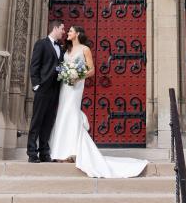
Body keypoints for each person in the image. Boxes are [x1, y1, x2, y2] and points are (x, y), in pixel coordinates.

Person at [48, 25, 148, 178]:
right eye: (67, 31)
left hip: (76, 87)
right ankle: (60, 152)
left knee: (71, 113)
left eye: (71, 31)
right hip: (65, 86)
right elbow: (63, 66)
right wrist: (66, 73)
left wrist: (78, 76)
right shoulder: (66, 49)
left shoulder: (85, 49)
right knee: (62, 114)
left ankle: (70, 151)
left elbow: (92, 70)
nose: (68, 33)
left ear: (78, 34)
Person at [27, 21, 65, 163]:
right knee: (37, 121)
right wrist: (36, 85)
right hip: (43, 89)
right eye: (62, 28)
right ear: (55, 28)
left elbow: (59, 67)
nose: (63, 31)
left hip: (55, 90)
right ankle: (32, 152)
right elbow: (34, 65)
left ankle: (44, 152)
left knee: (48, 122)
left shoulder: (60, 48)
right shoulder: (41, 44)